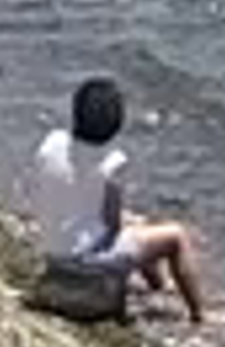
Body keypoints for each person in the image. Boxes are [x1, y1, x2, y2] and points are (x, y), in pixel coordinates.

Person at [31, 67, 213, 332]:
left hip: (55, 254)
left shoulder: (51, 143)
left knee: (138, 231)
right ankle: (199, 316)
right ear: (116, 125)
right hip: (86, 265)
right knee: (176, 236)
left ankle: (158, 287)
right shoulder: (112, 164)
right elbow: (112, 226)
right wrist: (128, 223)